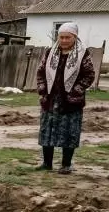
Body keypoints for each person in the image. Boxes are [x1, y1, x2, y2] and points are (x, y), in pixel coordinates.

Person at [36, 22, 96, 173]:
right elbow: (41, 72)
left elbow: (89, 75)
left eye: (67, 37)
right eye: (61, 37)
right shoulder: (50, 53)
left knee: (69, 132)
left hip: (71, 101)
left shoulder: (83, 54)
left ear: (74, 37)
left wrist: (75, 91)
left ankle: (66, 165)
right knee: (47, 131)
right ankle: (47, 164)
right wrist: (42, 91)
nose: (63, 40)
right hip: (50, 99)